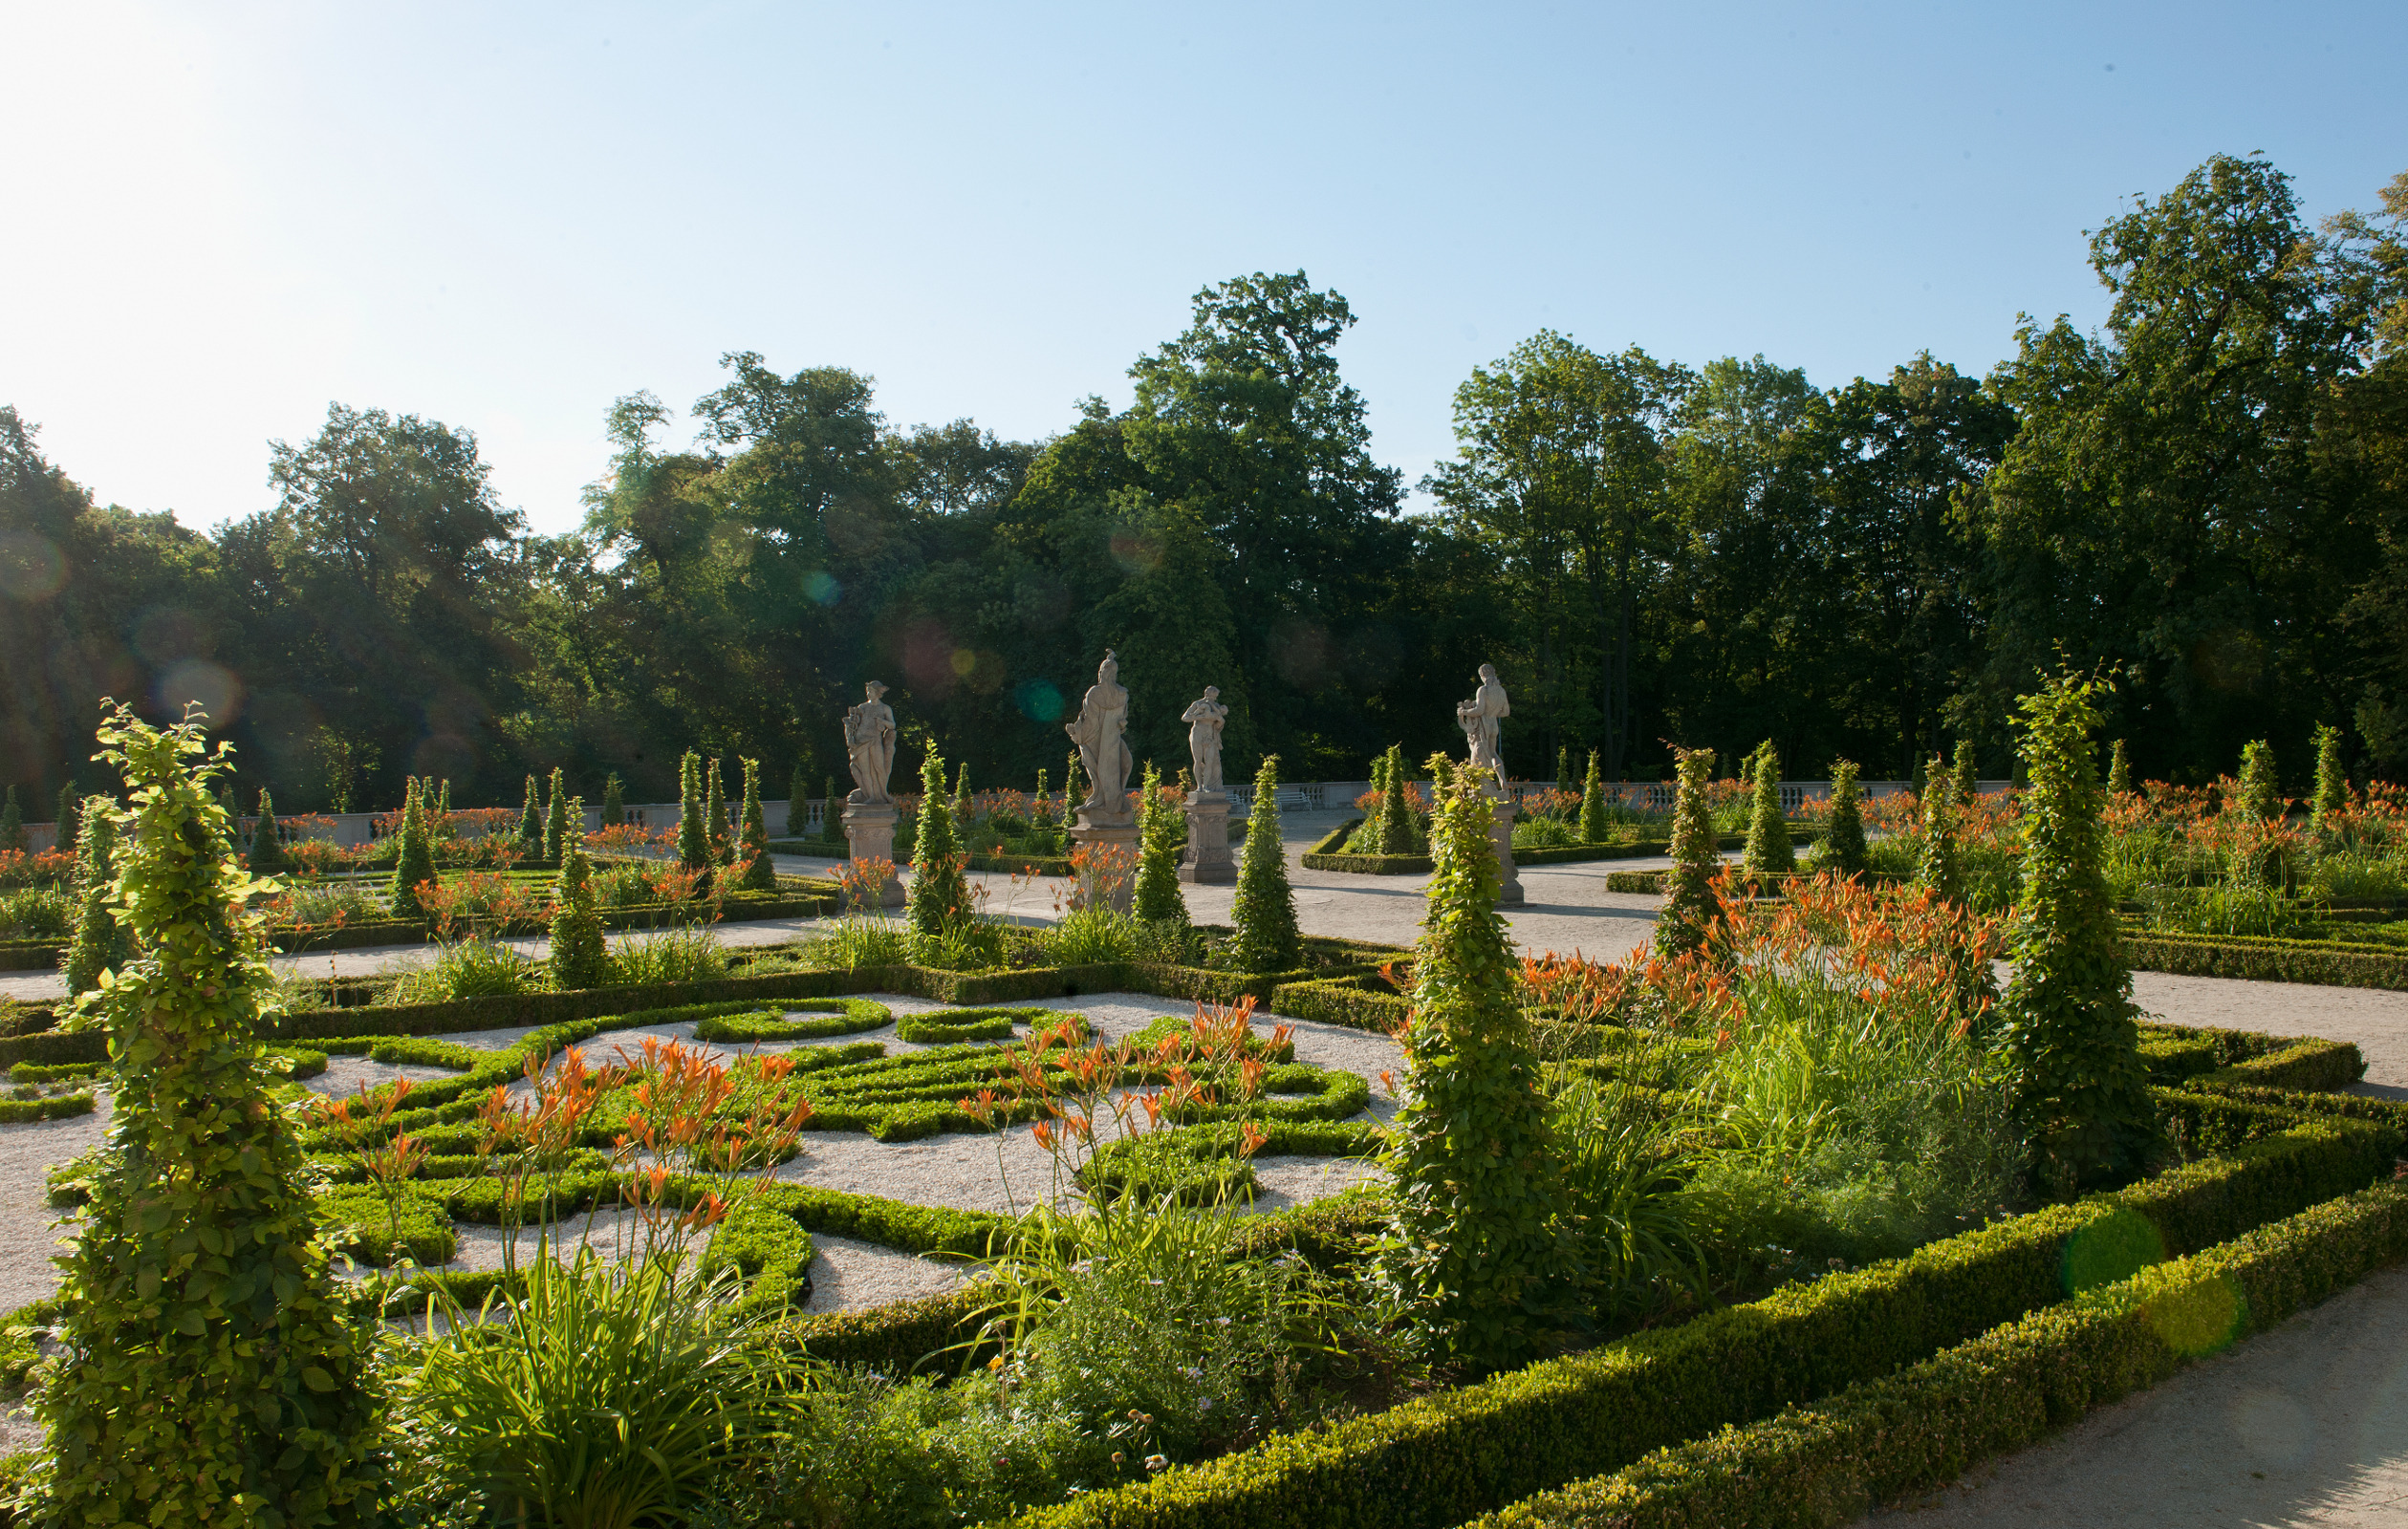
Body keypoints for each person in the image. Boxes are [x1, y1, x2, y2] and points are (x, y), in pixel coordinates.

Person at [1065, 651, 1132, 816]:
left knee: (1099, 772)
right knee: (1115, 770)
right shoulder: (1122, 694)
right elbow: (1123, 721)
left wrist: (1077, 733)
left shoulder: (1094, 694)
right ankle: (1112, 803)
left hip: (1097, 741)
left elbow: (1091, 724)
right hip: (1113, 741)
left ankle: (1102, 802)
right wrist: (1120, 725)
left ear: (1102, 673)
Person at [843, 680, 897, 804]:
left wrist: (882, 722)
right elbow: (853, 724)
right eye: (867, 691)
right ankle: (871, 796)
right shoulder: (862, 707)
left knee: (880, 768)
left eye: (871, 691)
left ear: (878, 692)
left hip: (875, 740)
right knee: (865, 770)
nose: (868, 694)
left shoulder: (885, 708)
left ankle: (883, 793)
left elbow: (892, 725)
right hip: (861, 740)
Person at [1456, 662, 1509, 781]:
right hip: (1494, 725)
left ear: (1482, 675)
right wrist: (1493, 714)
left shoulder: (1483, 690)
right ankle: (1503, 782)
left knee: (1478, 751)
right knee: (1493, 753)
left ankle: (1480, 782)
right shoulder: (1501, 691)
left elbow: (1479, 710)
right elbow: (1506, 712)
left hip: (1484, 726)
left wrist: (1463, 712)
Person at [1182, 686, 1228, 792]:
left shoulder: (1217, 706)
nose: (1215, 699)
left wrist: (1220, 721)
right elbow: (1184, 718)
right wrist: (1199, 717)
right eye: (1213, 696)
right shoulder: (1197, 704)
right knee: (1198, 761)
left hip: (1209, 735)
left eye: (1216, 697)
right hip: (1197, 733)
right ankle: (1199, 787)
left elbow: (1219, 725)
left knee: (1209, 762)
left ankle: (1206, 786)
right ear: (1207, 694)